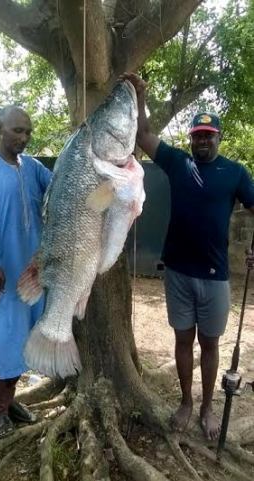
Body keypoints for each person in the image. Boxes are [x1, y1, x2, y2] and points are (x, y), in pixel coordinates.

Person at [120, 73, 254, 441]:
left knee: (209, 344)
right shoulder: (178, 162)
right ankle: (185, 403)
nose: (203, 141)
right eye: (197, 135)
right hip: (177, 271)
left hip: (215, 277)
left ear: (219, 138)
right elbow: (144, 136)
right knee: (182, 340)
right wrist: (141, 94)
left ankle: (208, 407)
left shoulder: (235, 173)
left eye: (209, 135)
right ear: (191, 139)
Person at [0, 105, 52, 438]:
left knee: (21, 336)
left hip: (29, 271)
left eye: (28, 132)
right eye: (17, 131)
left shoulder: (34, 167)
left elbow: (59, 189)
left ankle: (8, 401)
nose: (24, 138)